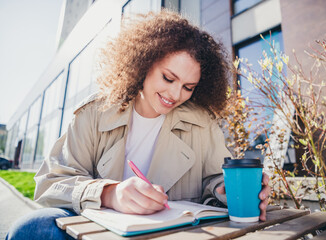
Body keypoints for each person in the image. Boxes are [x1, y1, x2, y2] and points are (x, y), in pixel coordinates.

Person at [6, 10, 270, 240]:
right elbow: (52, 182)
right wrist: (109, 193)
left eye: (188, 87)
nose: (175, 95)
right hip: (97, 231)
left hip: (174, 235)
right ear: (143, 63)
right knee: (31, 229)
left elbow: (214, 181)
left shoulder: (203, 124)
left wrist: (225, 190)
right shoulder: (94, 113)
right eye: (168, 78)